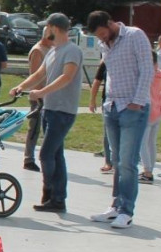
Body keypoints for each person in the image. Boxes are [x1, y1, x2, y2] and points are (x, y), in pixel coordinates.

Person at [85, 10, 155, 229]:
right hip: (112, 106)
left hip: (133, 107)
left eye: (103, 33)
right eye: (98, 36)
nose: (102, 38)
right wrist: (106, 101)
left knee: (127, 162)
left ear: (110, 23)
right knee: (116, 160)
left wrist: (138, 101)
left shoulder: (135, 35)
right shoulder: (104, 45)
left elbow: (147, 70)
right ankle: (115, 206)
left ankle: (126, 211)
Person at [11, 13, 82, 213]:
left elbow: (67, 77)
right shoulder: (52, 51)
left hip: (63, 110)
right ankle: (57, 199)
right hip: (50, 108)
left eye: (47, 27)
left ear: (54, 28)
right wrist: (21, 86)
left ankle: (50, 193)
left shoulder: (72, 51)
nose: (45, 31)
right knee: (56, 155)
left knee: (46, 154)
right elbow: (39, 73)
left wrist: (41, 92)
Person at [21, 25, 52, 171]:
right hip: (38, 97)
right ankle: (29, 159)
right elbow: (35, 75)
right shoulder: (38, 50)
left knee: (46, 129)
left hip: (48, 95)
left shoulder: (50, 49)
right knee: (34, 128)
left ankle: (46, 157)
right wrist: (40, 94)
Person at [138, 54, 161, 182]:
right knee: (151, 143)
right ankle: (150, 169)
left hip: (148, 111)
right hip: (158, 110)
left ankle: (147, 171)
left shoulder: (147, 76)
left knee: (142, 143)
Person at [88, 61, 113, 173]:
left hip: (125, 102)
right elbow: (97, 81)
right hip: (107, 101)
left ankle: (118, 162)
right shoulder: (106, 62)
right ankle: (108, 162)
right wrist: (92, 100)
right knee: (107, 133)